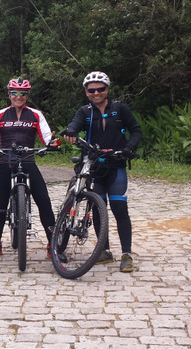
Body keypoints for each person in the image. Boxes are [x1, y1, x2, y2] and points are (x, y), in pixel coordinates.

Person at [61, 71, 142, 272]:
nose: (96, 93)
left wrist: (129, 148)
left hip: (116, 166)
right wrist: (71, 131)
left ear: (107, 89)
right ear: (86, 92)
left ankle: (126, 254)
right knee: (98, 208)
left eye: (100, 89)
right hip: (95, 167)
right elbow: (74, 124)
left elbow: (136, 130)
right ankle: (103, 251)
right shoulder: (84, 111)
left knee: (120, 210)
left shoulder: (120, 108)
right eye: (92, 90)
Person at [0, 78, 64, 262]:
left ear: (27, 96)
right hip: (4, 160)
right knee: (0, 205)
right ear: (9, 95)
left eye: (23, 93)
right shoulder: (0, 114)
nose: (19, 97)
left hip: (27, 159)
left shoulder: (35, 115)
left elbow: (47, 136)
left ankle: (52, 244)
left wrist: (52, 143)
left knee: (44, 200)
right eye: (15, 93)